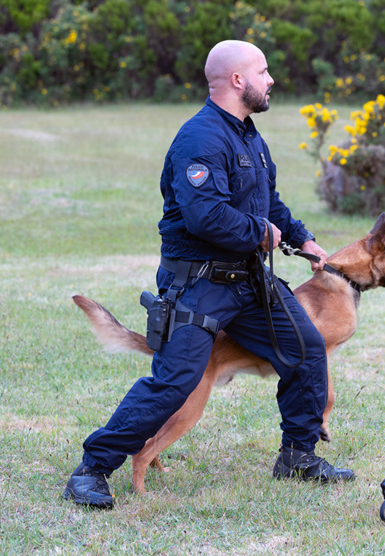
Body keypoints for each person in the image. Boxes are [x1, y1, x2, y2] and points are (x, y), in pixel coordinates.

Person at [63, 40, 355, 509]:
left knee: (305, 350)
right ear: (237, 80)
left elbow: (268, 203)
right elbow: (206, 217)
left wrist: (301, 238)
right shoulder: (200, 139)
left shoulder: (249, 136)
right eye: (263, 70)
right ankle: (92, 468)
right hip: (198, 284)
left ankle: (298, 457)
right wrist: (260, 231)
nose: (271, 79)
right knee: (174, 383)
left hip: (247, 281)